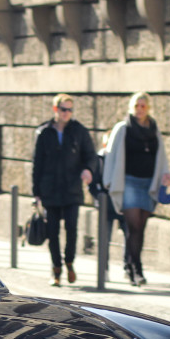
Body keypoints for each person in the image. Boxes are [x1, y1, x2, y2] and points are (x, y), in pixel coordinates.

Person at [101, 91, 170, 286]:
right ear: (132, 108)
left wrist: (165, 173)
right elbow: (111, 155)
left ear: (148, 108)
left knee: (142, 227)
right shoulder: (123, 128)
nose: (140, 109)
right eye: (136, 106)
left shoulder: (154, 129)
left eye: (143, 106)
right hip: (129, 181)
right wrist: (108, 181)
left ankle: (132, 265)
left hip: (148, 183)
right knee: (133, 226)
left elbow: (161, 155)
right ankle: (135, 268)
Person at [31, 93, 98, 286]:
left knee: (71, 229)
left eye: (70, 109)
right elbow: (37, 164)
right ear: (55, 110)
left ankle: (69, 262)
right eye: (63, 109)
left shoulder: (79, 131)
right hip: (49, 189)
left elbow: (91, 156)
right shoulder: (44, 133)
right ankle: (56, 269)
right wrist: (36, 192)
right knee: (52, 232)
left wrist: (88, 170)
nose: (67, 113)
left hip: (71, 189)